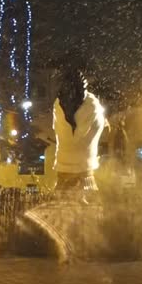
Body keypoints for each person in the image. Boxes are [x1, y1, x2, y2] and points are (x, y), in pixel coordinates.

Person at [52, 68, 106, 199]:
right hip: (84, 169)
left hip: (63, 166)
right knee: (86, 202)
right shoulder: (92, 106)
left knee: (60, 203)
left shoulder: (58, 105)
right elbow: (94, 128)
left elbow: (59, 130)